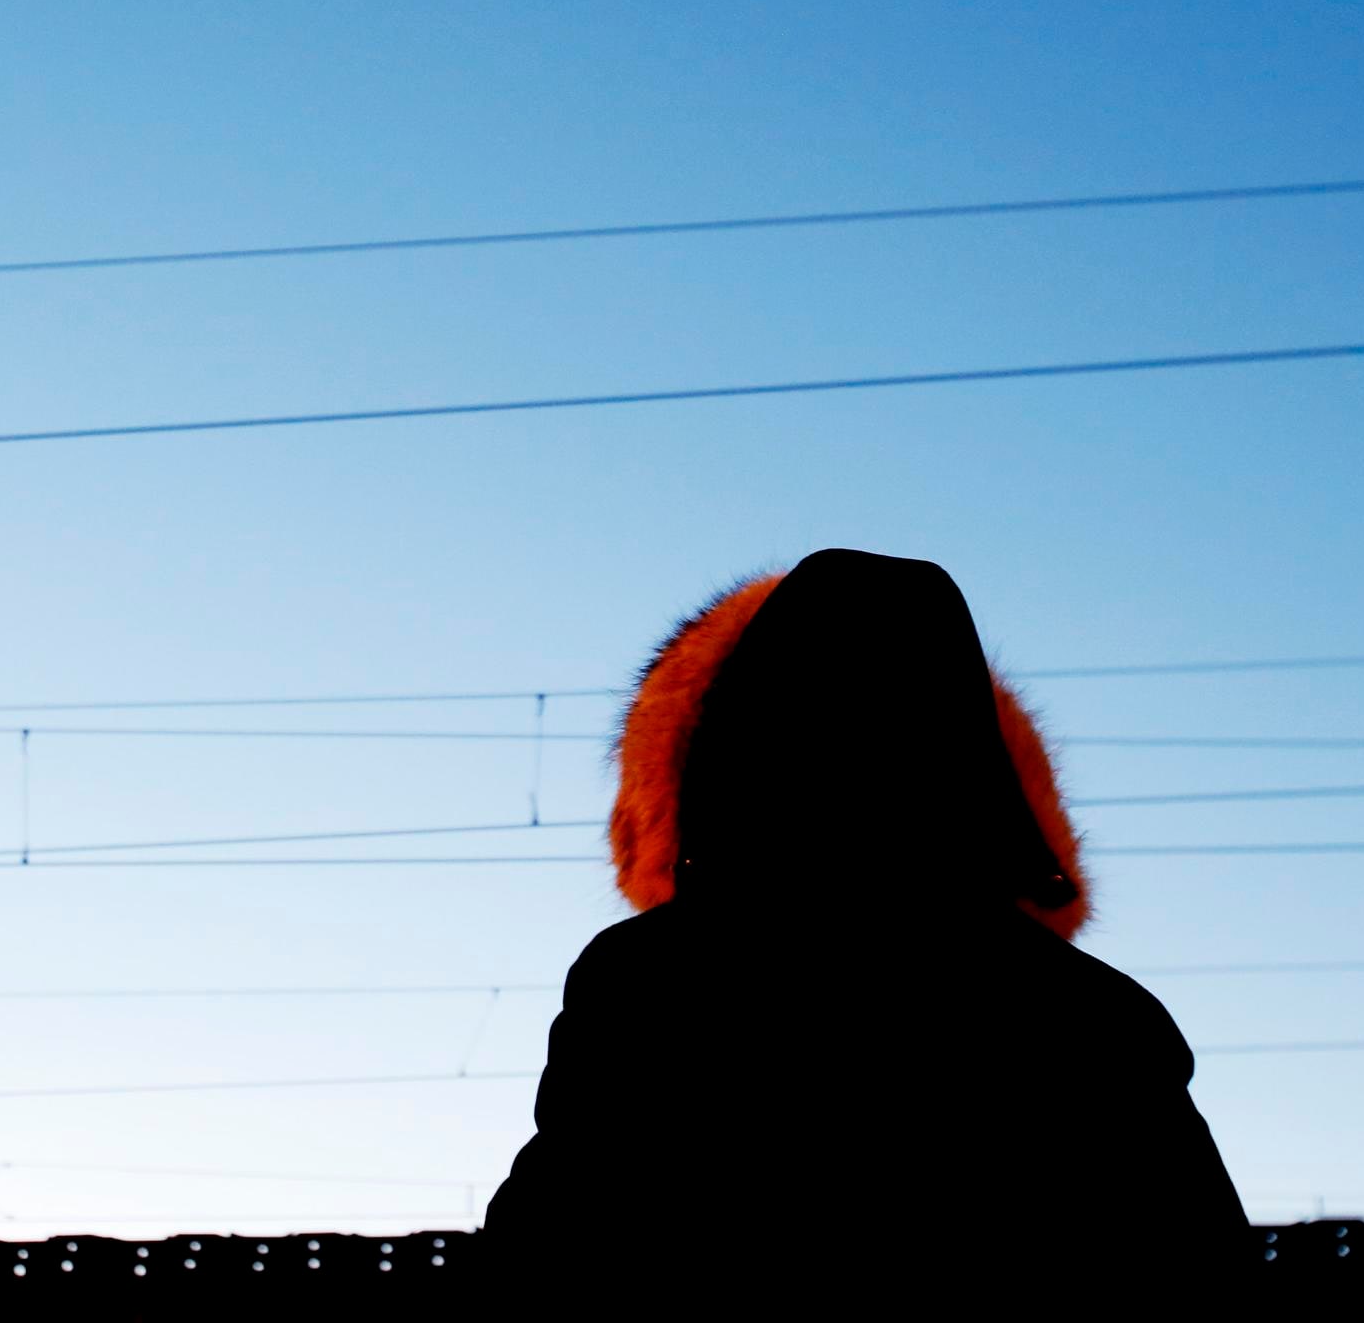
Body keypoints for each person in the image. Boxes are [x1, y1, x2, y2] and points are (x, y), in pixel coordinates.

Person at [481, 548, 1250, 1298]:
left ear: (724, 749)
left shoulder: (652, 975)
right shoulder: (1095, 1012)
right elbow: (1201, 1276)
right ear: (980, 759)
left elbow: (548, 1254)